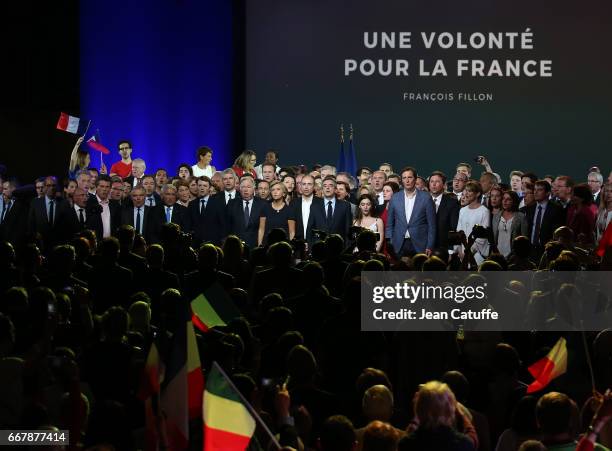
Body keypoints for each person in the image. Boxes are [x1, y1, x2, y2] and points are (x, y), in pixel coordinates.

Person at [398, 381, 475, 451]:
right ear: (450, 410)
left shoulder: (405, 444)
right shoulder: (464, 445)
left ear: (418, 408)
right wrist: (461, 414)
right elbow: (473, 438)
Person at [385, 167, 436, 257]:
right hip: (399, 244)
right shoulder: (395, 198)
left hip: (420, 244)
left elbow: (432, 225)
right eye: (404, 178)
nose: (407, 180)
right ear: (402, 181)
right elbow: (389, 224)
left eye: (410, 177)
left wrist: (430, 245)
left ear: (415, 179)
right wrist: (391, 243)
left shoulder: (426, 197)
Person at [28, 176, 73, 250]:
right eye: (48, 186)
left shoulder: (64, 203)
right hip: (40, 245)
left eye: (54, 185)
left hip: (58, 246)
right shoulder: (35, 203)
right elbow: (31, 224)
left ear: (57, 187)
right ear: (44, 187)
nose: (51, 188)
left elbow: (68, 225)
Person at [524, 180, 565, 259]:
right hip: (530, 249)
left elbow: (557, 232)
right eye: (535, 190)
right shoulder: (529, 209)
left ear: (548, 193)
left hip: (547, 250)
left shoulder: (556, 209)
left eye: (539, 190)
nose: (535, 192)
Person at [456, 181, 490, 265]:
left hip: (476, 255)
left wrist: (469, 252)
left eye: (469, 191)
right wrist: (460, 252)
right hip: (462, 254)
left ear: (477, 194)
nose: (466, 193)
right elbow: (458, 232)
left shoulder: (484, 211)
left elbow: (482, 237)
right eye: (466, 190)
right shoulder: (462, 210)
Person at [226, 177, 265, 249]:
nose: (245, 189)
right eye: (243, 187)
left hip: (255, 246)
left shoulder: (262, 204)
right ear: (240, 189)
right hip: (236, 246)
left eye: (249, 187)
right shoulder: (232, 204)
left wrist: (260, 246)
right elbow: (227, 226)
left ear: (254, 189)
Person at [429, 171, 460, 257]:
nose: (434, 184)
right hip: (425, 247)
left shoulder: (452, 203)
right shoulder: (422, 201)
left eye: (437, 181)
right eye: (432, 182)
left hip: (443, 248)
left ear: (444, 185)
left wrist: (450, 249)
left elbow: (453, 228)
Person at [290, 175, 325, 247]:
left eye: (309, 184)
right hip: (298, 244)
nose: (306, 187)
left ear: (314, 186)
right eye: (304, 184)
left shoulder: (321, 203)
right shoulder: (294, 203)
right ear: (300, 186)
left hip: (316, 244)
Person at [492, 191, 529, 258]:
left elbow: (524, 239)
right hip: (497, 255)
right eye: (503, 198)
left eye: (508, 199)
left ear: (514, 201)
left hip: (514, 256)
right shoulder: (496, 216)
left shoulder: (521, 217)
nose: (505, 201)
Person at [258, 181, 294, 245]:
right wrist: (259, 245)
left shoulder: (289, 210)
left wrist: (291, 247)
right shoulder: (265, 208)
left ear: (283, 193)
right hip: (267, 245)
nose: (275, 192)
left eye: (278, 189)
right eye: (273, 190)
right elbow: (261, 229)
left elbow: (291, 232)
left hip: (283, 246)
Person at [321, 176, 353, 241]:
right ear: (322, 189)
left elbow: (347, 230)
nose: (327, 187)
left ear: (335, 189)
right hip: (320, 247)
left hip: (340, 246)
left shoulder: (345, 206)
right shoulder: (315, 206)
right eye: (325, 186)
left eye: (330, 185)